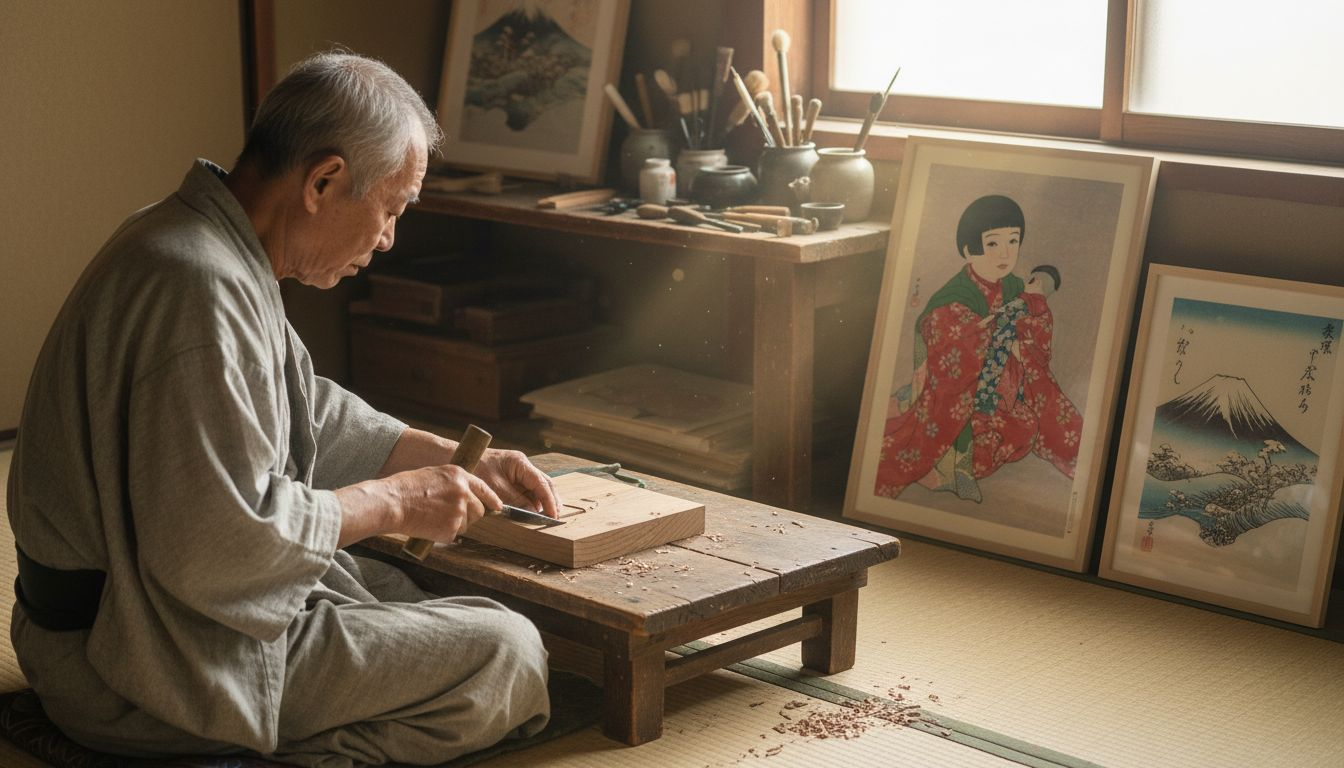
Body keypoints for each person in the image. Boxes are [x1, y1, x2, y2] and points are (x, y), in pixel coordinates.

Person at [7, 52, 561, 766]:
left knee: (404, 591)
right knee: (509, 654)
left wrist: (456, 461)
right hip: (138, 664)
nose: (388, 238)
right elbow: (217, 548)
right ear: (324, 182)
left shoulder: (193, 239)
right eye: (391, 209)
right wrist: (393, 502)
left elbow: (301, 408)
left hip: (142, 623)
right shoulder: (198, 286)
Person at [875, 195, 1081, 503]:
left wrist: (1026, 320)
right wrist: (1004, 337)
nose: (1005, 252)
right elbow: (955, 356)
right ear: (969, 250)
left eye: (1013, 240)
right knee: (987, 445)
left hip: (997, 393)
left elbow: (1032, 338)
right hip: (955, 399)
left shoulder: (1012, 286)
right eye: (993, 243)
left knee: (1026, 423)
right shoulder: (953, 299)